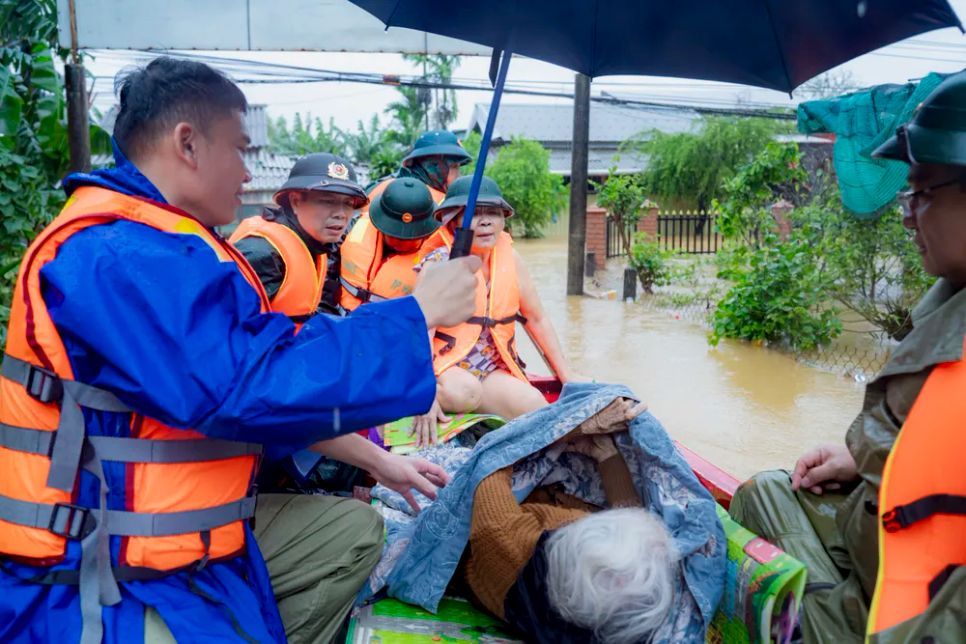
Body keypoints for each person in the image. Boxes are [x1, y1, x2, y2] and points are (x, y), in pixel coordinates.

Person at [0, 57, 480, 644]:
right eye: (239, 148)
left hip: (187, 547)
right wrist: (417, 315)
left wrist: (379, 461)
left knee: (349, 533)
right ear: (188, 144)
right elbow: (248, 384)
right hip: (102, 578)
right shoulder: (114, 253)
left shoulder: (172, 244)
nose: (248, 171)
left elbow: (265, 377)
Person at [729, 71, 966, 643]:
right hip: (876, 548)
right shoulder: (947, 311)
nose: (907, 215)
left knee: (734, 577)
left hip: (898, 616)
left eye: (923, 193)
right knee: (765, 490)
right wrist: (864, 461)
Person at [464, 401, 676, 643]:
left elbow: (490, 464)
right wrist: (607, 455)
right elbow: (629, 526)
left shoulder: (509, 544)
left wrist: (572, 427)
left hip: (496, 532)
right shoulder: (614, 619)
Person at [416, 176, 580, 435]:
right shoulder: (438, 262)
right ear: (453, 221)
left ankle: (483, 415)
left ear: (503, 219)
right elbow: (419, 330)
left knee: (534, 404)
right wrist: (423, 391)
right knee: (465, 393)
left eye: (493, 212)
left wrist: (566, 375)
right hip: (444, 367)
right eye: (474, 213)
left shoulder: (511, 259)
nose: (485, 221)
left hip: (490, 367)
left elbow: (536, 319)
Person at [231, 152, 365, 320]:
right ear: (295, 201)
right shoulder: (262, 254)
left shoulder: (315, 245)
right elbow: (228, 327)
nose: (341, 214)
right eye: (328, 201)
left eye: (348, 203)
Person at [340, 177, 446, 312]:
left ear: (426, 232)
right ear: (380, 224)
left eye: (410, 236)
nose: (401, 241)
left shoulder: (439, 259)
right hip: (341, 317)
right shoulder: (350, 228)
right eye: (394, 234)